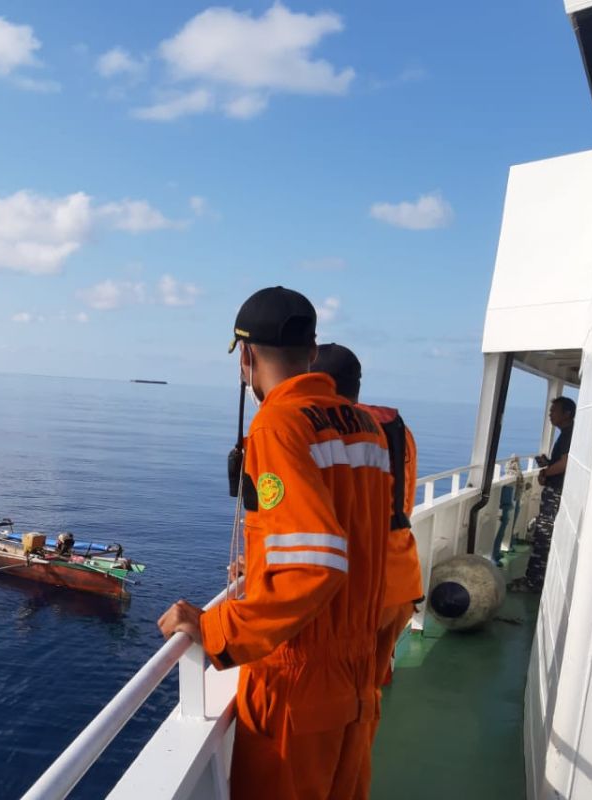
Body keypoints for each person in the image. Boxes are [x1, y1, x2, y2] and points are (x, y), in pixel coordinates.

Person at [157, 288, 392, 800]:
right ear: (312, 351)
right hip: (356, 678)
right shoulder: (367, 428)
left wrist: (215, 627)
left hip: (298, 687)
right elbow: (356, 536)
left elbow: (316, 566)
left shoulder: (279, 424)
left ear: (245, 356)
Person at [310, 344, 424, 700]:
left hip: (360, 588)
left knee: (341, 698)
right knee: (371, 687)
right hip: (402, 575)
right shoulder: (397, 429)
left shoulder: (326, 429)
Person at [509, 397, 575, 592]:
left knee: (544, 536)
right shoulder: (568, 434)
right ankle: (538, 578)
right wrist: (547, 466)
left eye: (554, 411)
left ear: (567, 414)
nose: (550, 415)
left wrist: (545, 473)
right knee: (545, 535)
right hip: (557, 490)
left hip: (556, 493)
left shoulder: (568, 435)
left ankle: (534, 582)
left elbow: (564, 464)